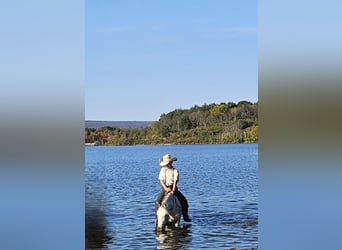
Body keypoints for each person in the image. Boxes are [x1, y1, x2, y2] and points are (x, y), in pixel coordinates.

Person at [155, 154, 191, 222]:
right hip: (165, 188)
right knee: (157, 202)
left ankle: (185, 216)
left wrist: (173, 189)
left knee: (184, 201)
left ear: (171, 162)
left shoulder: (175, 170)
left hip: (173, 188)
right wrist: (165, 188)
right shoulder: (163, 170)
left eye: (168, 163)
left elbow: (175, 180)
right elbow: (161, 180)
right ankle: (157, 219)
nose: (167, 165)